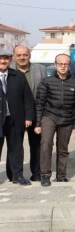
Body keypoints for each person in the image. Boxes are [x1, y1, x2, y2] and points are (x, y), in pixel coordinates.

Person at [35, 54, 75, 186]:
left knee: (63, 148)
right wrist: (38, 123)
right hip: (49, 116)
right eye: (60, 64)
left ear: (69, 66)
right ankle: (45, 174)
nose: (63, 66)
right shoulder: (46, 82)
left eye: (66, 64)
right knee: (46, 144)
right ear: (55, 64)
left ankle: (61, 175)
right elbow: (39, 103)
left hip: (68, 118)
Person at [9, 45, 46, 182]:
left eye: (25, 54)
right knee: (15, 146)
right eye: (18, 55)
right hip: (15, 115)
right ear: (14, 56)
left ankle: (36, 174)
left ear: (29, 55)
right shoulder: (9, 70)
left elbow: (45, 90)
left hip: (36, 113)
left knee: (36, 146)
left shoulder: (40, 69)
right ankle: (13, 174)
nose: (22, 57)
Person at [0, 49, 34, 186]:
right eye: (0, 59)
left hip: (15, 119)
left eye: (5, 58)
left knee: (16, 149)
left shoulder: (18, 76)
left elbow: (28, 98)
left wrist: (29, 117)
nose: (3, 61)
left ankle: (17, 176)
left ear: (10, 60)